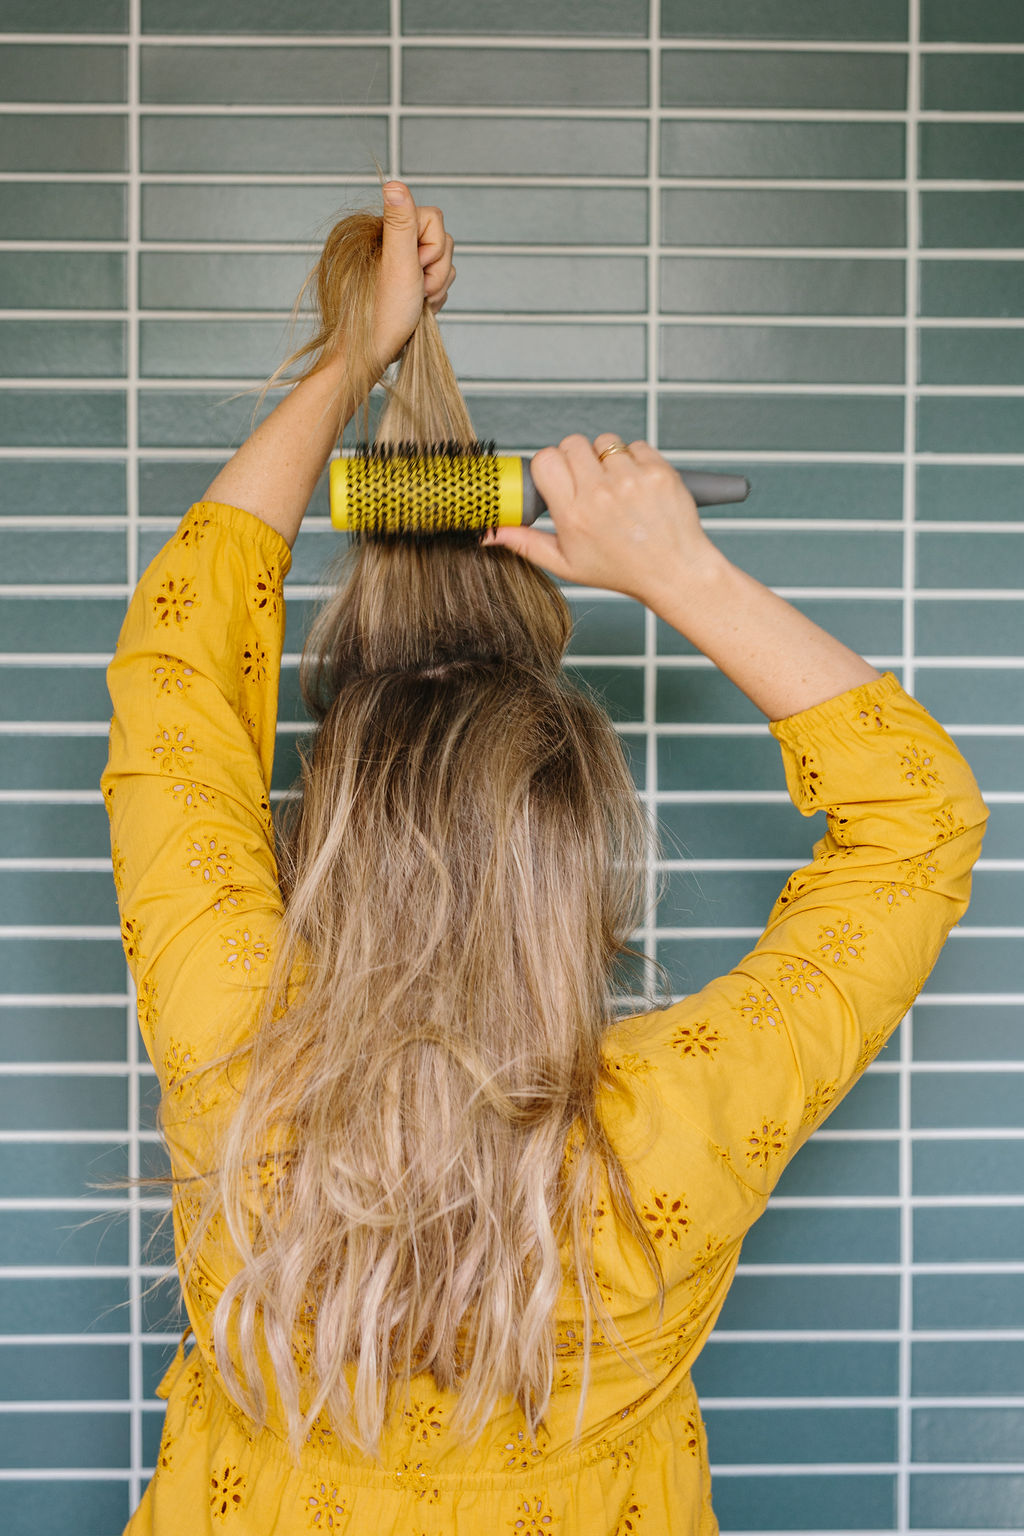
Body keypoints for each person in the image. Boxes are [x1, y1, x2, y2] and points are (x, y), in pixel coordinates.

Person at [103, 183, 988, 1535]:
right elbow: (921, 819)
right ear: (583, 877)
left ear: (327, 843)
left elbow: (175, 676)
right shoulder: (669, 1134)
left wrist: (357, 357)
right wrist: (677, 569)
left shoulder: (232, 1050)